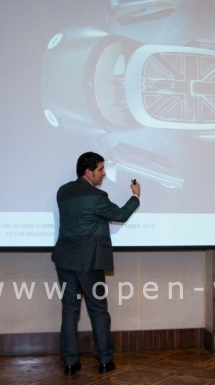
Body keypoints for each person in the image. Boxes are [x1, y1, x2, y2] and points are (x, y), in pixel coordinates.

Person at [52, 152, 140, 375]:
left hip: (64, 261)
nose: (104, 174)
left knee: (69, 310)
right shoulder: (97, 196)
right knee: (98, 310)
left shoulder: (62, 192)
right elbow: (120, 215)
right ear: (88, 172)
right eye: (101, 169)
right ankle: (104, 360)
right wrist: (135, 196)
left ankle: (70, 363)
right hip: (89, 262)